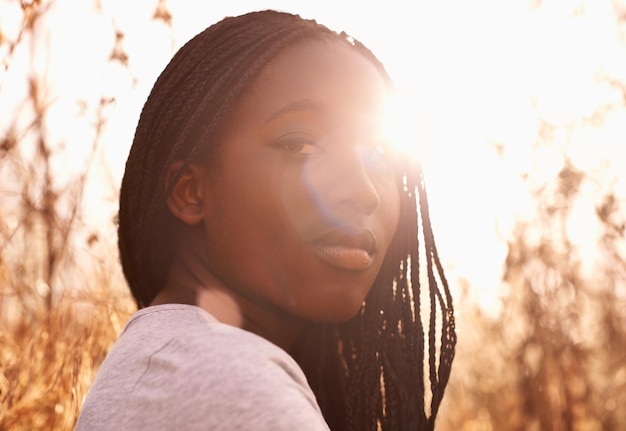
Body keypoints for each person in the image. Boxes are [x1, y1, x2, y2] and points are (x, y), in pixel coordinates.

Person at [76, 9, 456, 431]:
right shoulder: (233, 387)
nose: (363, 190)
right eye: (300, 145)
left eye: (380, 157)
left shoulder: (168, 363)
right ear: (190, 190)